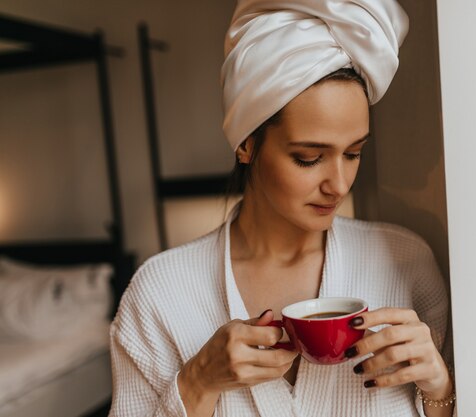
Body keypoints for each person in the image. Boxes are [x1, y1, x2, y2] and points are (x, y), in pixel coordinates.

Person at [109, 1, 456, 416]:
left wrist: (440, 389)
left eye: (354, 153)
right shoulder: (160, 295)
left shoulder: (406, 263)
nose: (339, 184)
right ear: (246, 143)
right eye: (309, 157)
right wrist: (198, 381)